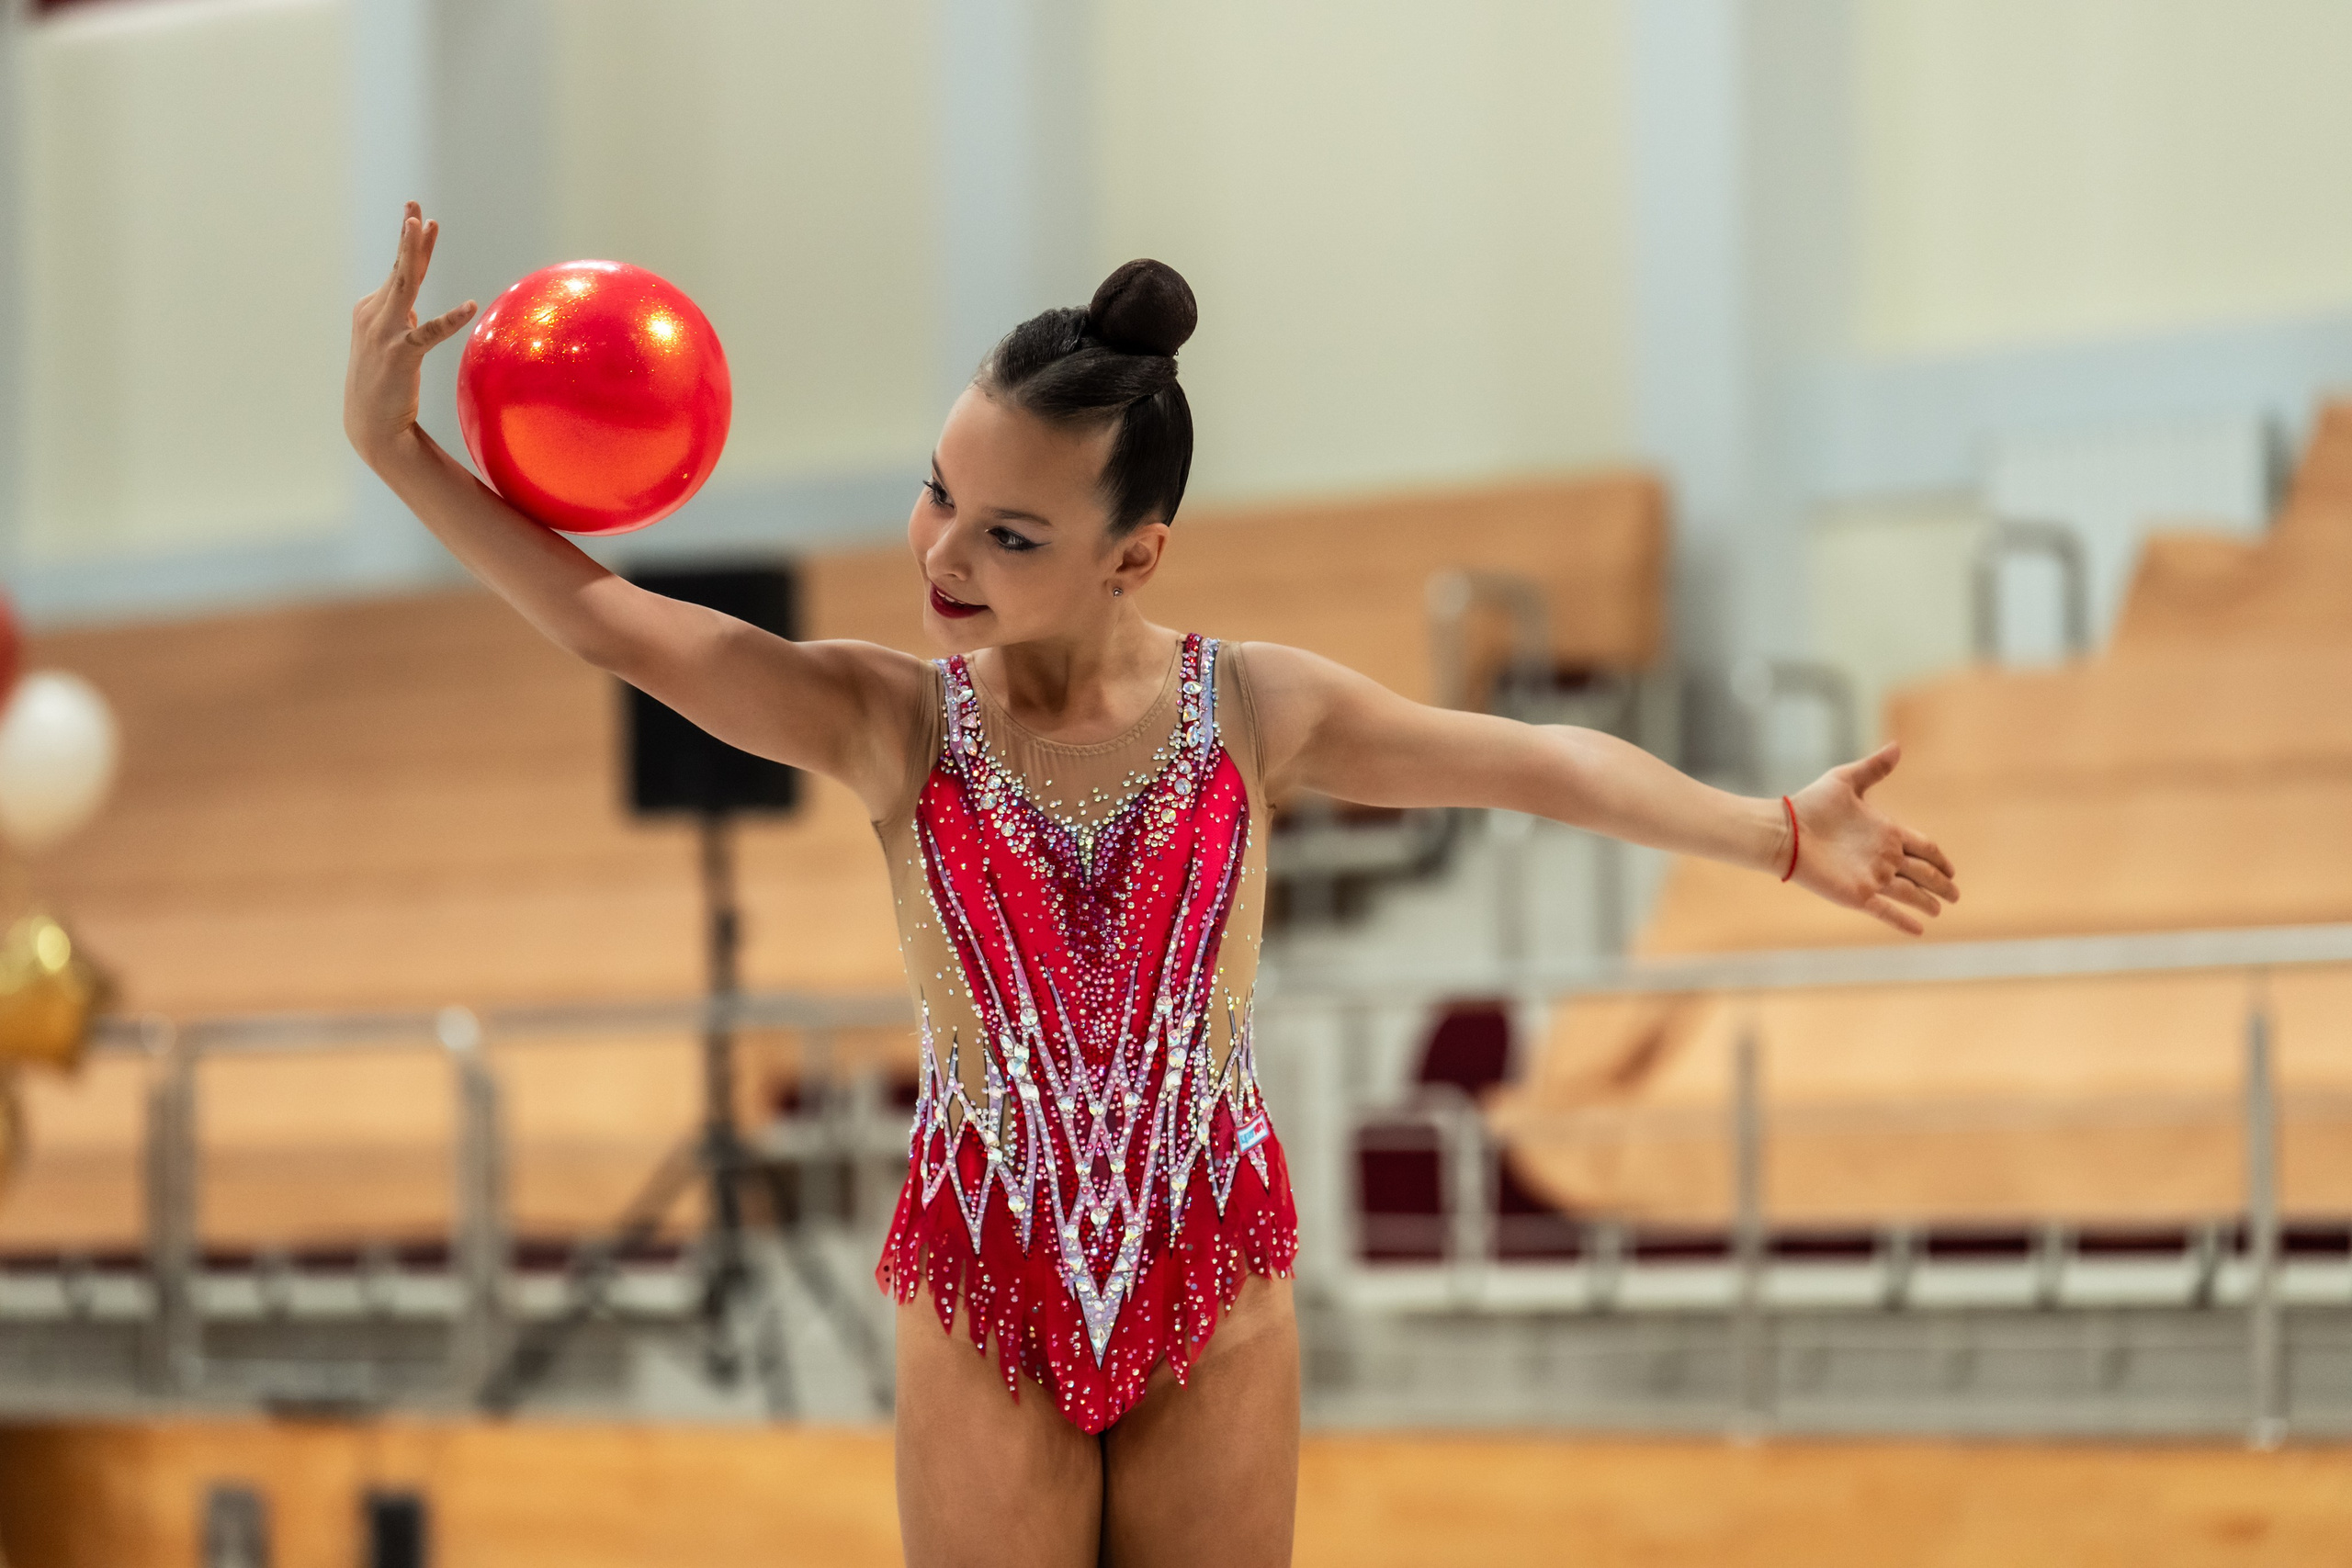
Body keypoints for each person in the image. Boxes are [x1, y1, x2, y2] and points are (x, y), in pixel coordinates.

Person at [345, 203, 1960, 1567]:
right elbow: (615, 624)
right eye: (939, 496)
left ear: (1136, 556)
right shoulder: (894, 719)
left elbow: (1539, 760)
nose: (946, 560)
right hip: (988, 1275)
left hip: (1217, 1261)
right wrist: (395, 448)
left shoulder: (1256, 709)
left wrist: (1776, 831)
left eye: (1012, 535)